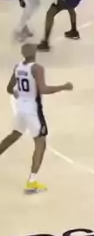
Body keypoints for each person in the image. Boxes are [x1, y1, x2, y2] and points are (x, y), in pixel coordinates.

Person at [0, 42, 73, 193]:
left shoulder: (17, 67)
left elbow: (9, 88)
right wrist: (64, 87)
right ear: (34, 52)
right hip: (32, 110)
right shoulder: (37, 68)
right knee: (40, 143)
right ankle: (32, 182)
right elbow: (43, 89)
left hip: (20, 108)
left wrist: (16, 93)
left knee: (14, 135)